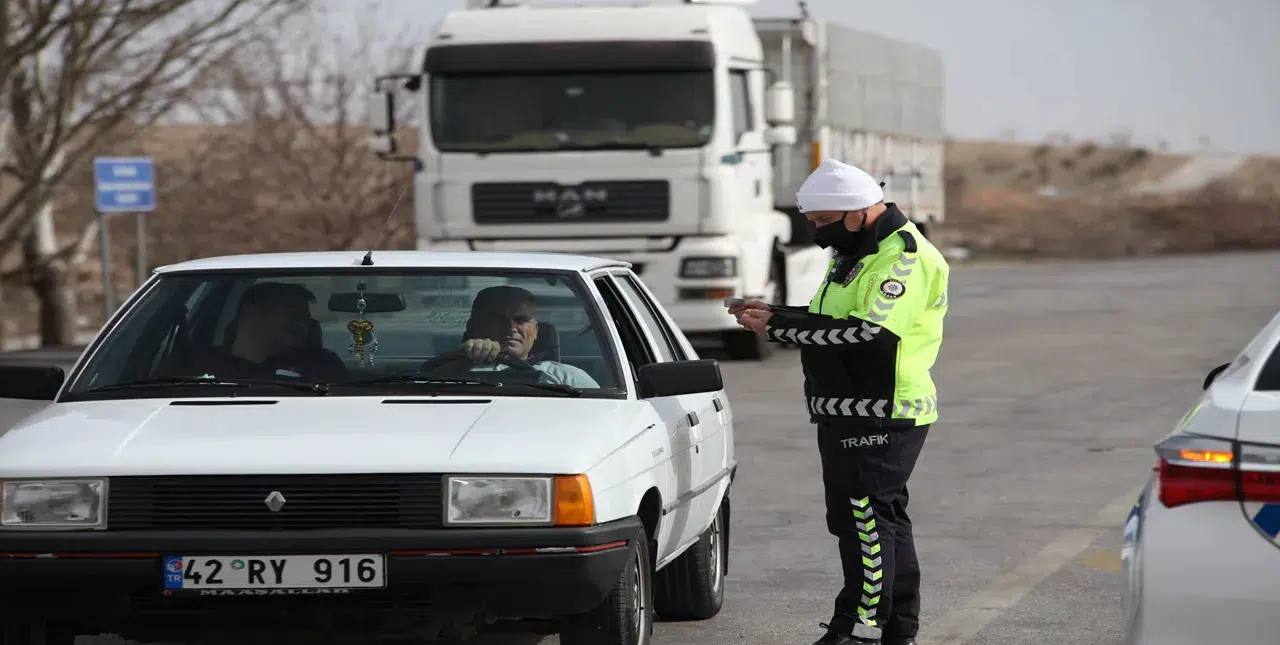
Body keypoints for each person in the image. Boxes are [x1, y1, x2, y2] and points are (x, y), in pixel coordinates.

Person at [730, 159, 950, 645]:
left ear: (860, 212)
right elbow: (834, 317)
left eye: (825, 221)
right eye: (813, 222)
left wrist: (781, 329)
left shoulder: (902, 258)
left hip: (883, 410)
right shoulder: (856, 252)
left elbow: (872, 332)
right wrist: (779, 314)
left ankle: (859, 630)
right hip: (848, 407)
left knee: (864, 521)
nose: (819, 233)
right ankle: (897, 631)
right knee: (881, 519)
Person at [192, 282, 347, 382]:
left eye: (305, 318)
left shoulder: (322, 366)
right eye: (293, 315)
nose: (302, 324)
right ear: (250, 314)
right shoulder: (198, 367)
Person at [451, 285, 600, 388]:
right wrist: (463, 361)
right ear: (473, 327)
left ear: (536, 330)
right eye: (498, 320)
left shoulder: (565, 378)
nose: (511, 329)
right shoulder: (446, 373)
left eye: (521, 320)